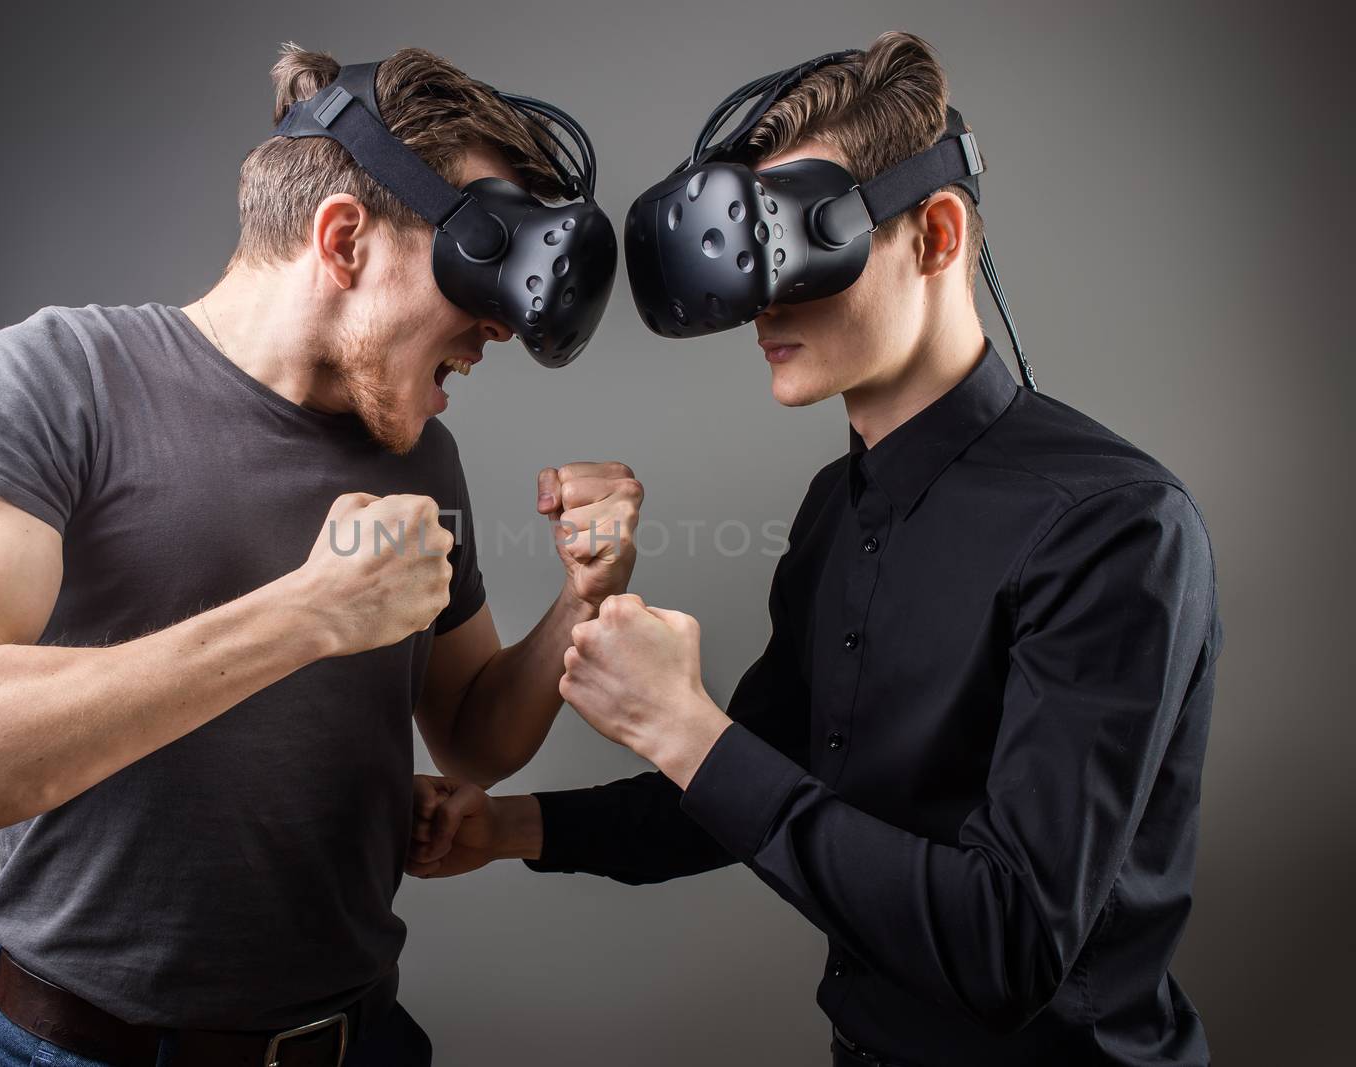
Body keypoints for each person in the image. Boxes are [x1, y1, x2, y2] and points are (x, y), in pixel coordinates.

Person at [410, 32, 1219, 1067]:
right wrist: (507, 827)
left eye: (793, 242)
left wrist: (684, 726)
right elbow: (752, 786)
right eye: (741, 252)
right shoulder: (836, 505)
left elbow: (1009, 944)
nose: (760, 299)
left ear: (933, 233)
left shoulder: (1112, 524)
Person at [0, 44, 642, 1067]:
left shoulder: (416, 452)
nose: (499, 320)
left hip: (358, 1038)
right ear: (344, 238)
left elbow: (474, 735)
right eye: (481, 262)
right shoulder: (58, 381)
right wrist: (305, 614)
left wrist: (583, 597)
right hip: (91, 1052)